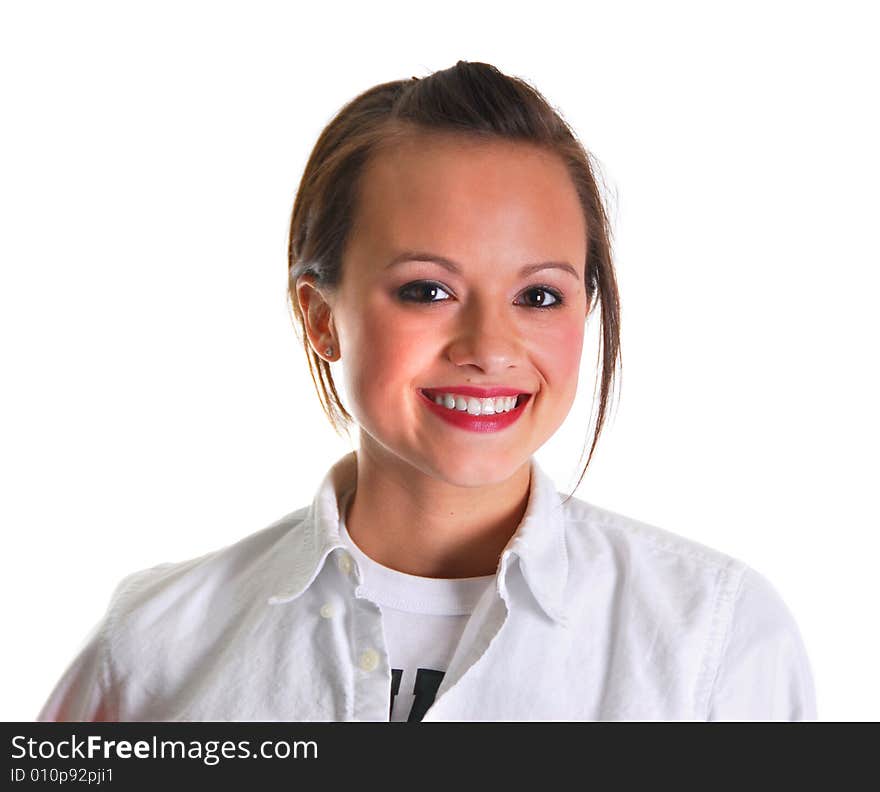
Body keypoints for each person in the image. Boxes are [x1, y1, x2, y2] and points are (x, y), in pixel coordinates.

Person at [37, 60, 816, 722]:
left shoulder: (716, 641)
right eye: (426, 290)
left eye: (539, 296)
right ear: (321, 318)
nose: (487, 349)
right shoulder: (150, 651)